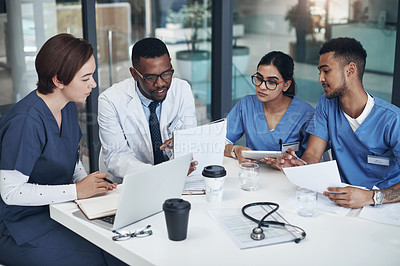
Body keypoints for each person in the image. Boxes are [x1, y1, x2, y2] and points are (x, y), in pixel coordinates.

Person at [0, 33, 125, 265]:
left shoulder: (67, 107)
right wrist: (77, 191)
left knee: (118, 251)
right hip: (19, 226)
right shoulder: (26, 122)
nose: (94, 84)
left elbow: (71, 159)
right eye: (86, 78)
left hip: (59, 212)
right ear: (59, 80)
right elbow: (10, 192)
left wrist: (91, 185)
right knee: (96, 260)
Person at [266, 37, 400, 208]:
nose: (320, 78)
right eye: (319, 71)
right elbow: (312, 155)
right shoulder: (326, 104)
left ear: (350, 70)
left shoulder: (393, 120)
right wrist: (300, 166)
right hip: (340, 200)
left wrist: (372, 197)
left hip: (385, 205)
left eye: (326, 71)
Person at [98, 37, 197, 180]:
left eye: (166, 73)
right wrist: (161, 173)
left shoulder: (182, 89)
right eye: (151, 77)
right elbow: (116, 157)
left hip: (177, 178)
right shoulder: (110, 100)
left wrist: (181, 144)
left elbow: (191, 141)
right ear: (134, 74)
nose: (160, 83)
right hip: (134, 182)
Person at [224, 51, 314, 164]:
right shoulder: (246, 105)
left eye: (271, 82)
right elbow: (219, 142)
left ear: (286, 85)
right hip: (253, 174)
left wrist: (291, 163)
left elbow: (313, 158)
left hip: (289, 178)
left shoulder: (305, 114)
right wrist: (235, 150)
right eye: (259, 78)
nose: (262, 86)